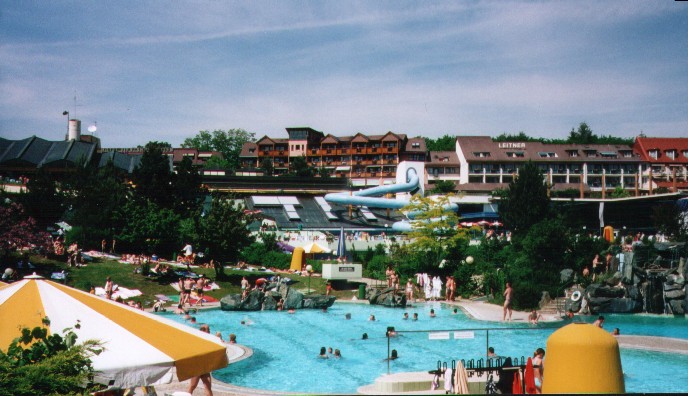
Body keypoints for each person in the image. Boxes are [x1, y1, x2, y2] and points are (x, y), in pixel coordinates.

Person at [188, 325, 214, 396]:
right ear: (203, 331)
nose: (209, 331)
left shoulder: (208, 340)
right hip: (197, 366)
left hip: (204, 366)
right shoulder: (198, 340)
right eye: (208, 329)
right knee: (192, 386)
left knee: (208, 386)